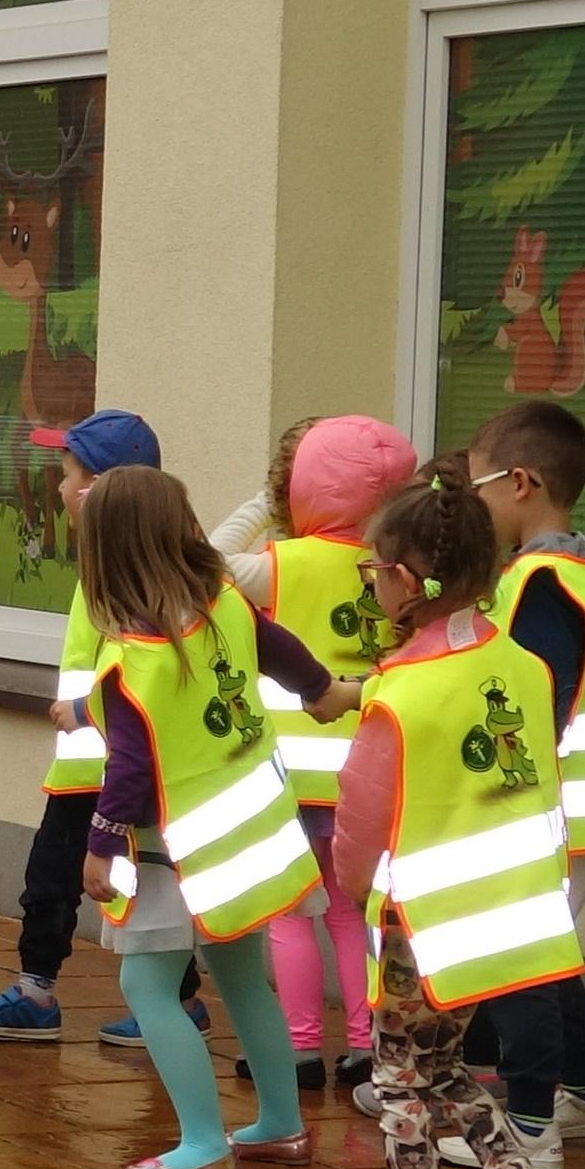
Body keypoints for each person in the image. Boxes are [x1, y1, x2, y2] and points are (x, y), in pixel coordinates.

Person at [325, 459, 580, 1169]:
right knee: (437, 1066)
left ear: (403, 581)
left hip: (424, 920)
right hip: (511, 909)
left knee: (398, 1079)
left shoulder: (401, 692)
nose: (371, 583)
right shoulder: (521, 665)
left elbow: (360, 821)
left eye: (373, 570)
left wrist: (352, 889)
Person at [71, 464, 332, 1169]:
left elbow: (130, 767)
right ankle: (281, 1125)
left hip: (171, 852)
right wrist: (321, 690)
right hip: (249, 838)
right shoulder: (223, 604)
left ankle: (203, 1146)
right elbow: (281, 651)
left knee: (146, 988)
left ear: (105, 551)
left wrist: (99, 845)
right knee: (244, 977)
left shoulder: (133, 657)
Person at [463, 397, 585, 1159]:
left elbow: (535, 700)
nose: (472, 505)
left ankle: (529, 1126)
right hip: (579, 804)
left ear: (519, 483)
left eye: (477, 487)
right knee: (547, 946)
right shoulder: (580, 563)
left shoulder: (540, 581)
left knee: (521, 955)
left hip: (546, 804)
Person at [0, 410, 158, 1045]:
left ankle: (165, 1000)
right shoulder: (100, 562)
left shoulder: (131, 576)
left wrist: (87, 711)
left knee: (132, 883)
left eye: (67, 475)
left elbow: (140, 672)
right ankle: (36, 991)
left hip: (119, 767)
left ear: (96, 490)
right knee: (55, 876)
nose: (59, 487)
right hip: (85, 765)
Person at [228, 415, 416, 1085]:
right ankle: (366, 1046)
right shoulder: (398, 565)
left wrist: (262, 504)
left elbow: (202, 560)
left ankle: (299, 1048)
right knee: (351, 912)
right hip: (367, 774)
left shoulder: (279, 566)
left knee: (289, 913)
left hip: (288, 778)